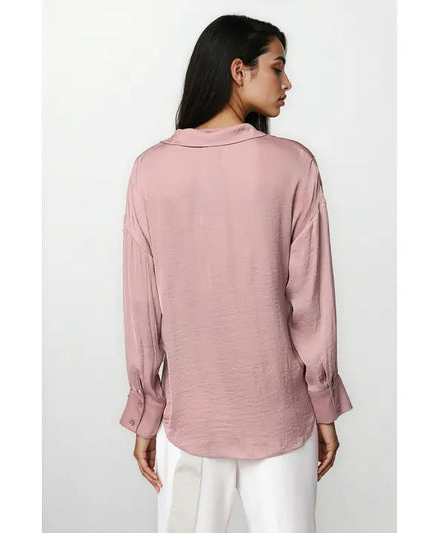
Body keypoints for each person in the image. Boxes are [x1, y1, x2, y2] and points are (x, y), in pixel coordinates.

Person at [119, 14, 354, 533]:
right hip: (281, 421)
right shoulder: (293, 165)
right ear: (238, 71)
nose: (287, 82)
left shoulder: (150, 170)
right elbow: (311, 304)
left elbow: (142, 308)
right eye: (278, 66)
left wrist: (146, 409)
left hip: (190, 423)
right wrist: (323, 404)